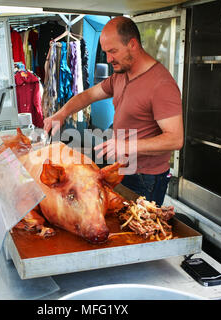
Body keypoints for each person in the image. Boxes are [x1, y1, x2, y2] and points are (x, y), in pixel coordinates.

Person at [44, 17, 183, 206]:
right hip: (122, 169)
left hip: (146, 178)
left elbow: (175, 139)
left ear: (132, 44)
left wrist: (126, 146)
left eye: (113, 51)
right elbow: (87, 96)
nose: (108, 59)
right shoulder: (120, 75)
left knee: (139, 231)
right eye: (106, 52)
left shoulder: (161, 84)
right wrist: (60, 114)